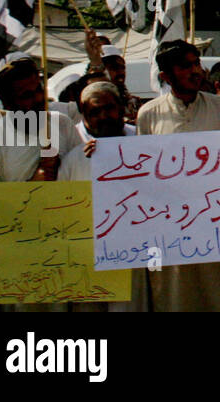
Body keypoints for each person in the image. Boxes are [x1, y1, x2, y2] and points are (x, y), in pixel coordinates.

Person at [135, 39, 220, 312]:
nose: (196, 71)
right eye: (185, 66)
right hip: (173, 233)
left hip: (218, 230)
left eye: (197, 63)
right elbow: (143, 177)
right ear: (165, 76)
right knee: (177, 299)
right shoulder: (149, 115)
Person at [59, 81, 151, 312]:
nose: (103, 116)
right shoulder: (74, 156)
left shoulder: (144, 144)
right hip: (86, 257)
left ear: (121, 108)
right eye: (94, 112)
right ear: (84, 116)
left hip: (132, 254)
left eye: (108, 108)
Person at [0, 57, 83, 184]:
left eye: (39, 90)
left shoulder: (63, 124)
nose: (39, 98)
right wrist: (33, 183)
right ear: (8, 104)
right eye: (27, 95)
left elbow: (83, 173)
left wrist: (63, 166)